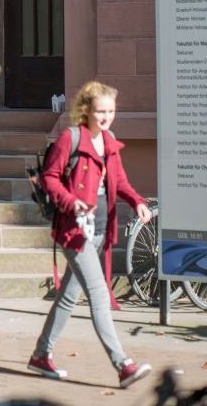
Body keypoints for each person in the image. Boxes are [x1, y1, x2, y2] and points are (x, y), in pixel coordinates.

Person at [27, 81, 152, 388]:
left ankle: (41, 355)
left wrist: (137, 202)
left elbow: (119, 181)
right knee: (99, 295)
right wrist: (71, 202)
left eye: (111, 111)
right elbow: (50, 179)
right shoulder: (70, 138)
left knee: (68, 297)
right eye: (100, 111)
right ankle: (122, 365)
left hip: (98, 228)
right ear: (86, 110)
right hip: (74, 230)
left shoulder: (108, 140)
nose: (106, 117)